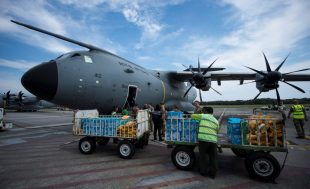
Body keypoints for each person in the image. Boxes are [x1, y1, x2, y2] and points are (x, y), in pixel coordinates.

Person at [191, 106, 219, 178]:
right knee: (213, 157)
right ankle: (213, 174)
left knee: (203, 156)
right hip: (213, 141)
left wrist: (198, 110)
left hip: (204, 139)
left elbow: (192, 116)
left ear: (206, 111)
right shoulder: (216, 121)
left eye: (203, 111)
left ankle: (203, 172)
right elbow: (217, 130)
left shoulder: (203, 116)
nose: (202, 112)